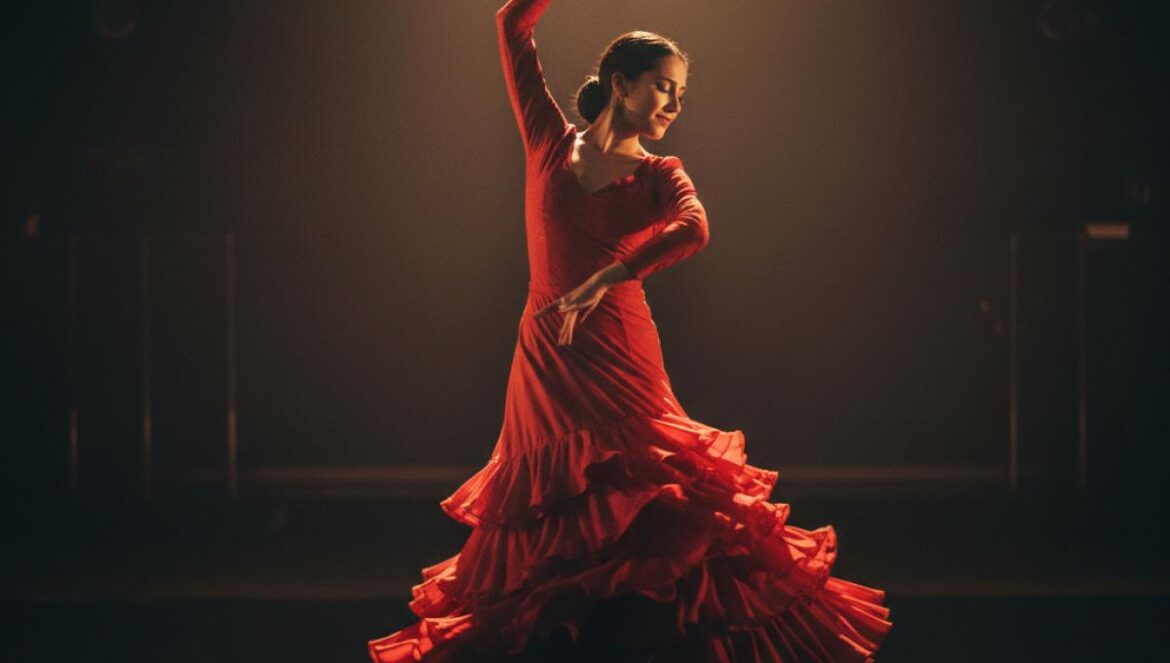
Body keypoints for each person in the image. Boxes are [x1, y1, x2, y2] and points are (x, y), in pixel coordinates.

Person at [368, 1, 893, 660]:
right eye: (663, 86)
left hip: (620, 352)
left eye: (680, 93)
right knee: (552, 524)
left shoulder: (660, 173)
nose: (674, 103)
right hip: (547, 361)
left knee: (648, 503)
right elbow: (511, 25)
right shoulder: (549, 142)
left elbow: (694, 228)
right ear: (621, 83)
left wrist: (610, 276)